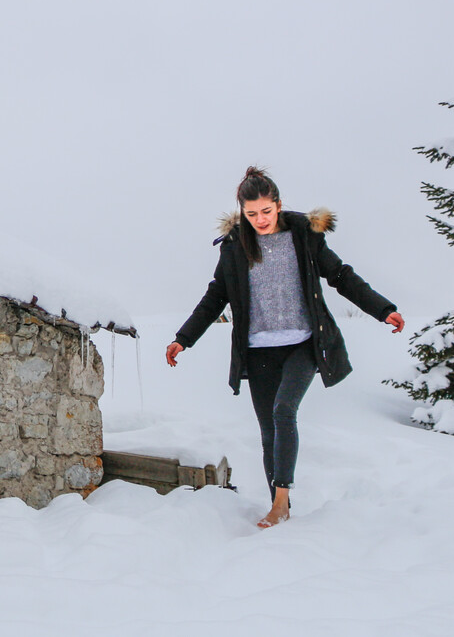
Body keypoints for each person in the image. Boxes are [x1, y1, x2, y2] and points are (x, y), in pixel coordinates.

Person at [165, 167, 405, 529]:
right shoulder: (234, 247)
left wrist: (382, 309)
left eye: (266, 211)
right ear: (242, 212)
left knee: (283, 411)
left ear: (278, 205)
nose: (260, 220)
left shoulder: (304, 237)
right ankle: (280, 502)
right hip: (259, 350)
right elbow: (215, 297)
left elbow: (341, 275)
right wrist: (183, 338)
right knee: (267, 432)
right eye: (251, 214)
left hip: (304, 344)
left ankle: (279, 505)